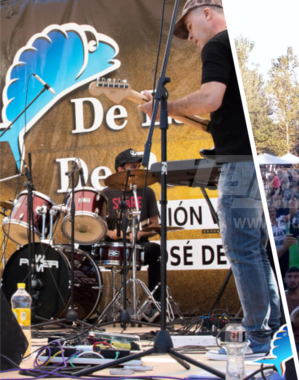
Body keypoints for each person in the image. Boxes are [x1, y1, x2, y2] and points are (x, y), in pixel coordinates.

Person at [139, 0, 280, 353]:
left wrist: (165, 107)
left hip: (240, 165)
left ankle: (257, 336)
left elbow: (211, 98)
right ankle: (272, 331)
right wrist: (166, 108)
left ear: (206, 13)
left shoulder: (219, 42)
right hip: (254, 161)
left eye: (188, 28)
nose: (191, 38)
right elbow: (220, 116)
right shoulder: (243, 46)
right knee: (257, 251)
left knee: (241, 250)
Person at [97, 149, 162, 321]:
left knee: (158, 251)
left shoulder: (147, 192)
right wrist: (109, 232)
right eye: (132, 166)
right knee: (84, 250)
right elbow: (96, 225)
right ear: (120, 169)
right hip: (113, 246)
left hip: (140, 245)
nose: (137, 169)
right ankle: (91, 306)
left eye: (138, 166)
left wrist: (140, 233)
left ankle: (156, 306)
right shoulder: (106, 193)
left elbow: (155, 224)